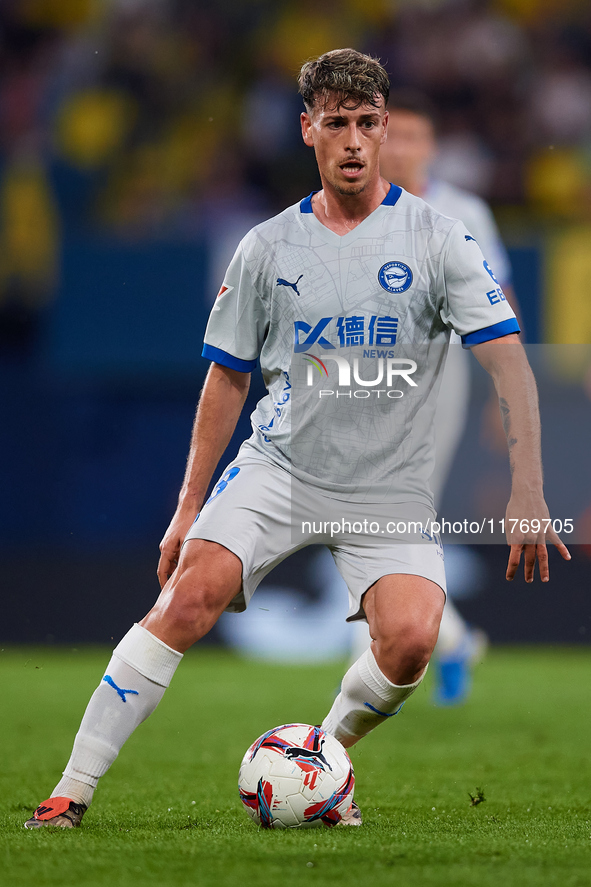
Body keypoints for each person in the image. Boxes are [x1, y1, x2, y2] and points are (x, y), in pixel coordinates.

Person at [25, 48, 569, 830]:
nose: (353, 140)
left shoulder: (439, 238)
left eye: (367, 123)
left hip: (389, 486)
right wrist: (186, 508)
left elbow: (510, 366)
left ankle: (323, 759)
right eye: (337, 123)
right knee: (186, 597)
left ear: (384, 129)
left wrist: (527, 487)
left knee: (412, 639)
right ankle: (69, 791)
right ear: (308, 128)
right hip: (280, 468)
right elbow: (226, 378)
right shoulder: (266, 247)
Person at [376, 90, 522, 704]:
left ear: (431, 147)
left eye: (415, 136)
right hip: (371, 375)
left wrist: (506, 396)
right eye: (394, 135)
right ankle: (451, 638)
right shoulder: (354, 206)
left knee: (395, 510)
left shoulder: (464, 211)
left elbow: (499, 305)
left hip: (439, 371)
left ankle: (391, 649)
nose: (403, 147)